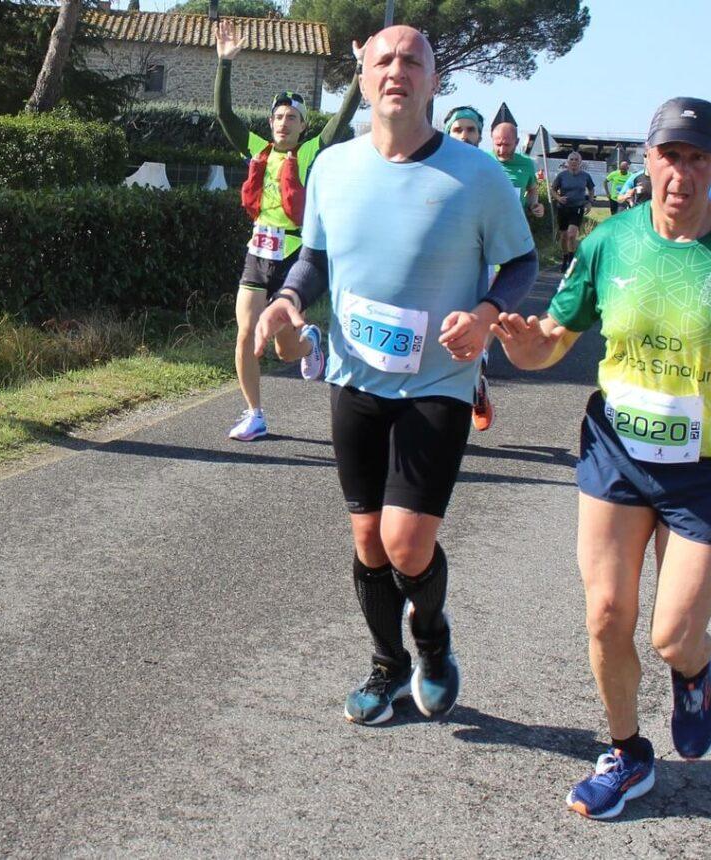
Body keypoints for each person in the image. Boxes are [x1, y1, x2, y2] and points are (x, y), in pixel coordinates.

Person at [491, 97, 711, 820]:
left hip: (710, 464)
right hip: (617, 449)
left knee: (673, 633)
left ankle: (694, 669)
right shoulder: (611, 242)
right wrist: (532, 350)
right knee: (607, 613)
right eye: (669, 155)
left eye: (697, 157)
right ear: (647, 159)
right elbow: (558, 331)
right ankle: (627, 754)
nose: (681, 171)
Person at [254, 26, 538, 726]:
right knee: (366, 540)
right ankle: (387, 667)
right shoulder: (333, 167)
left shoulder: (478, 175)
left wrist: (486, 311)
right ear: (363, 74)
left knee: (407, 542)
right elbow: (313, 257)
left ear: (435, 82)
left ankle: (433, 646)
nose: (397, 71)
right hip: (354, 374)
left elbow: (521, 262)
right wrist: (288, 300)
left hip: (439, 380)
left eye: (414, 61)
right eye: (384, 60)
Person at [214, 19, 364, 441]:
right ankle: (254, 413)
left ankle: (311, 342)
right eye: (278, 116)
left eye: (292, 117)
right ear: (271, 121)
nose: (283, 123)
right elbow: (224, 114)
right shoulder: (256, 148)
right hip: (258, 252)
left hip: (295, 256)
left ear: (302, 125)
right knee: (245, 332)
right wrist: (225, 64)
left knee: (283, 348)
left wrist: (357, 72)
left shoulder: (314, 149)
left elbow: (342, 119)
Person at [443, 104, 499, 431]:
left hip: (482, 260)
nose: (464, 135)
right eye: (458, 129)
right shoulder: (435, 166)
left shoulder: (488, 170)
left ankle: (477, 379)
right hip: (442, 264)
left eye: (471, 130)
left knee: (479, 321)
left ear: (480, 135)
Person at [552, 151, 597, 270]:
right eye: (571, 159)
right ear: (567, 162)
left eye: (576, 160)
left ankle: (571, 261)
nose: (574, 162)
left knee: (572, 235)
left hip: (577, 207)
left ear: (580, 162)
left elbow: (591, 190)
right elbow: (553, 190)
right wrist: (558, 198)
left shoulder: (585, 176)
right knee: (564, 236)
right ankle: (565, 257)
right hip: (563, 208)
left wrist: (589, 202)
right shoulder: (562, 175)